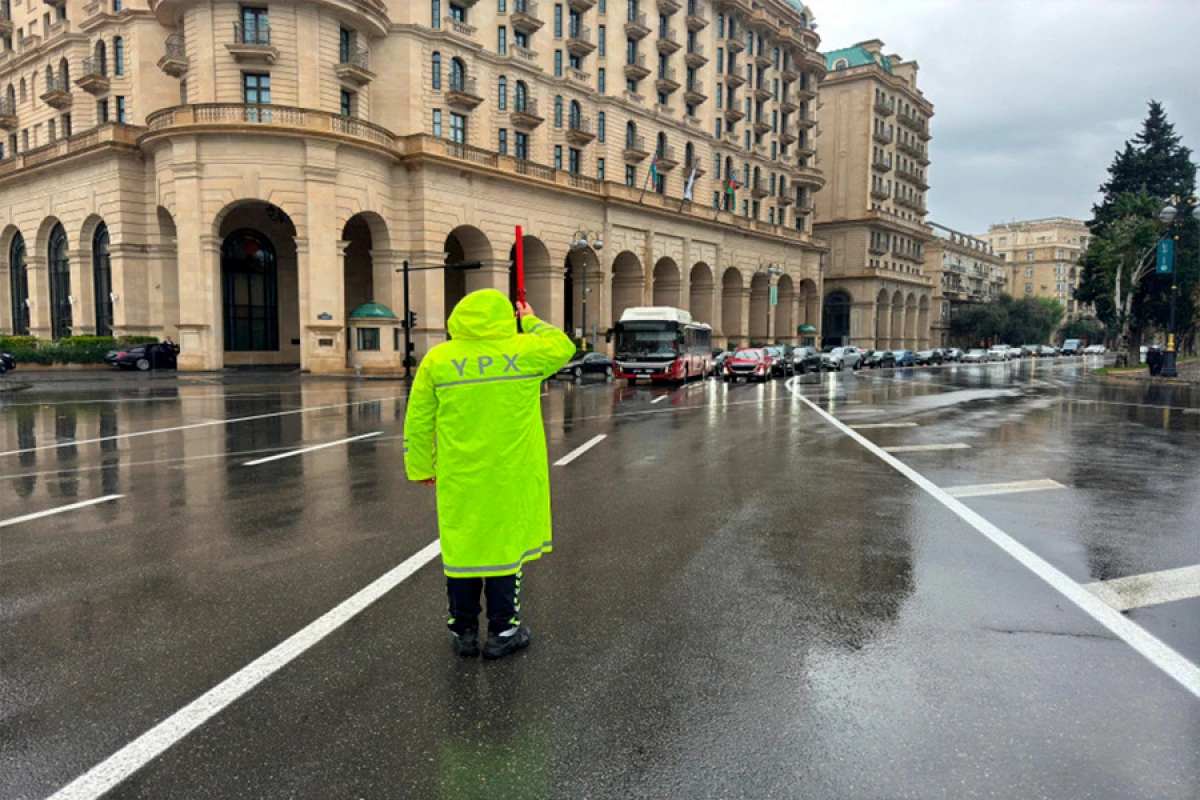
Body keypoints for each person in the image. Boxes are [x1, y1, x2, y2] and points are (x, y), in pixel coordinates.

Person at [404, 289, 576, 660]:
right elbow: (563, 346)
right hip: (510, 476)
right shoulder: (524, 352)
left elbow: (418, 420)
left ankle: (463, 631)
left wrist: (420, 466)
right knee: (504, 552)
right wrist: (529, 319)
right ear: (504, 318)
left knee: (462, 551)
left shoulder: (439, 359)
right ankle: (503, 632)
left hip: (460, 476)